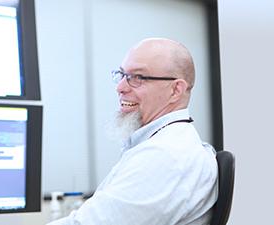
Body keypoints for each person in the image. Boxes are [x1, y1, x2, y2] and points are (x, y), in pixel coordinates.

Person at [47, 38, 218, 225]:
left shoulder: (165, 156)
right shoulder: (166, 142)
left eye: (138, 78)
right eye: (121, 74)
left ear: (175, 90)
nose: (120, 87)